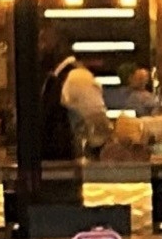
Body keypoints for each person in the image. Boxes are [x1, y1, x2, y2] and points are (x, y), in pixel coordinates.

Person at [38, 24, 111, 161]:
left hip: (70, 168)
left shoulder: (78, 78)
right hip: (55, 168)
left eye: (44, 41)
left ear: (60, 45)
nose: (39, 48)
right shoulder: (52, 79)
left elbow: (99, 127)